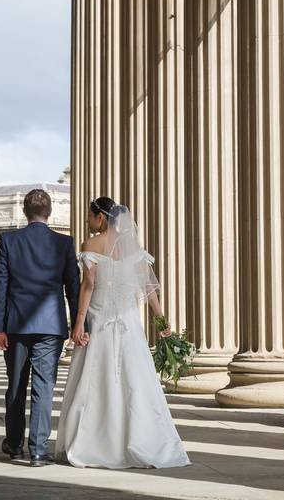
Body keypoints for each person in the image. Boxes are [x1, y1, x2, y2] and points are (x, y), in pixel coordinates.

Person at [55, 196, 191, 469]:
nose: (87, 221)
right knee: (135, 381)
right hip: (128, 323)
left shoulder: (91, 244)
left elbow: (89, 285)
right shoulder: (135, 250)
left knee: (97, 379)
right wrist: (163, 325)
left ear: (101, 218)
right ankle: (145, 440)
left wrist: (78, 323)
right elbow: (149, 291)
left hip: (100, 319)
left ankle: (95, 442)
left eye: (89, 216)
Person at [0, 188, 79, 467]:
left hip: (16, 326)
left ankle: (15, 445)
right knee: (43, 387)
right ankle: (39, 450)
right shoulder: (64, 243)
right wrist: (79, 323)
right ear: (49, 212)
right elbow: (73, 289)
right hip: (51, 326)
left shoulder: (9, 240)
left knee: (16, 386)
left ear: (24, 212)